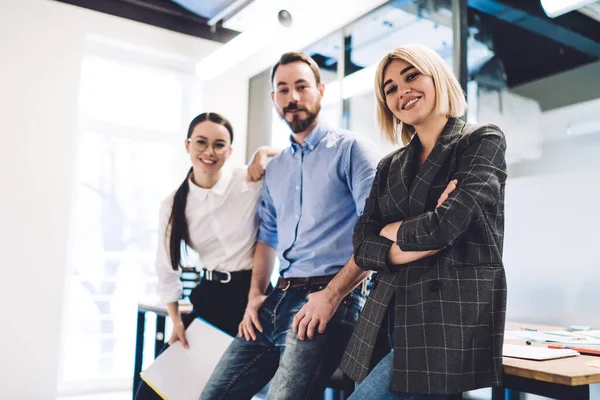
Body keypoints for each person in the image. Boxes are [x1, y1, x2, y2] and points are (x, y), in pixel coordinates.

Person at [200, 52, 379, 400]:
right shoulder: (277, 167)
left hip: (330, 297)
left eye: (301, 86)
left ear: (321, 90)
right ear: (274, 99)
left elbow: (375, 234)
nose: (292, 97)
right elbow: (266, 237)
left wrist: (332, 295)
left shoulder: (352, 150)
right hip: (277, 297)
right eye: (283, 90)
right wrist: (255, 295)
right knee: (213, 395)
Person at [340, 43, 508, 399]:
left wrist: (391, 232)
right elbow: (362, 244)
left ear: (437, 76)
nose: (403, 91)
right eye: (391, 89)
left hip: (443, 316)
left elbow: (448, 226)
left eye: (411, 76)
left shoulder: (481, 140)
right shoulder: (389, 165)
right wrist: (419, 235)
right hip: (383, 312)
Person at [135, 112, 278, 399]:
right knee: (152, 393)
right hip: (210, 299)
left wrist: (265, 152)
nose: (209, 152)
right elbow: (166, 269)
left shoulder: (248, 181)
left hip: (253, 299)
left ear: (230, 150)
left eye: (219, 144)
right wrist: (176, 320)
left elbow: (302, 154)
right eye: (201, 142)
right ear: (187, 146)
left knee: (219, 392)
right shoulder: (174, 204)